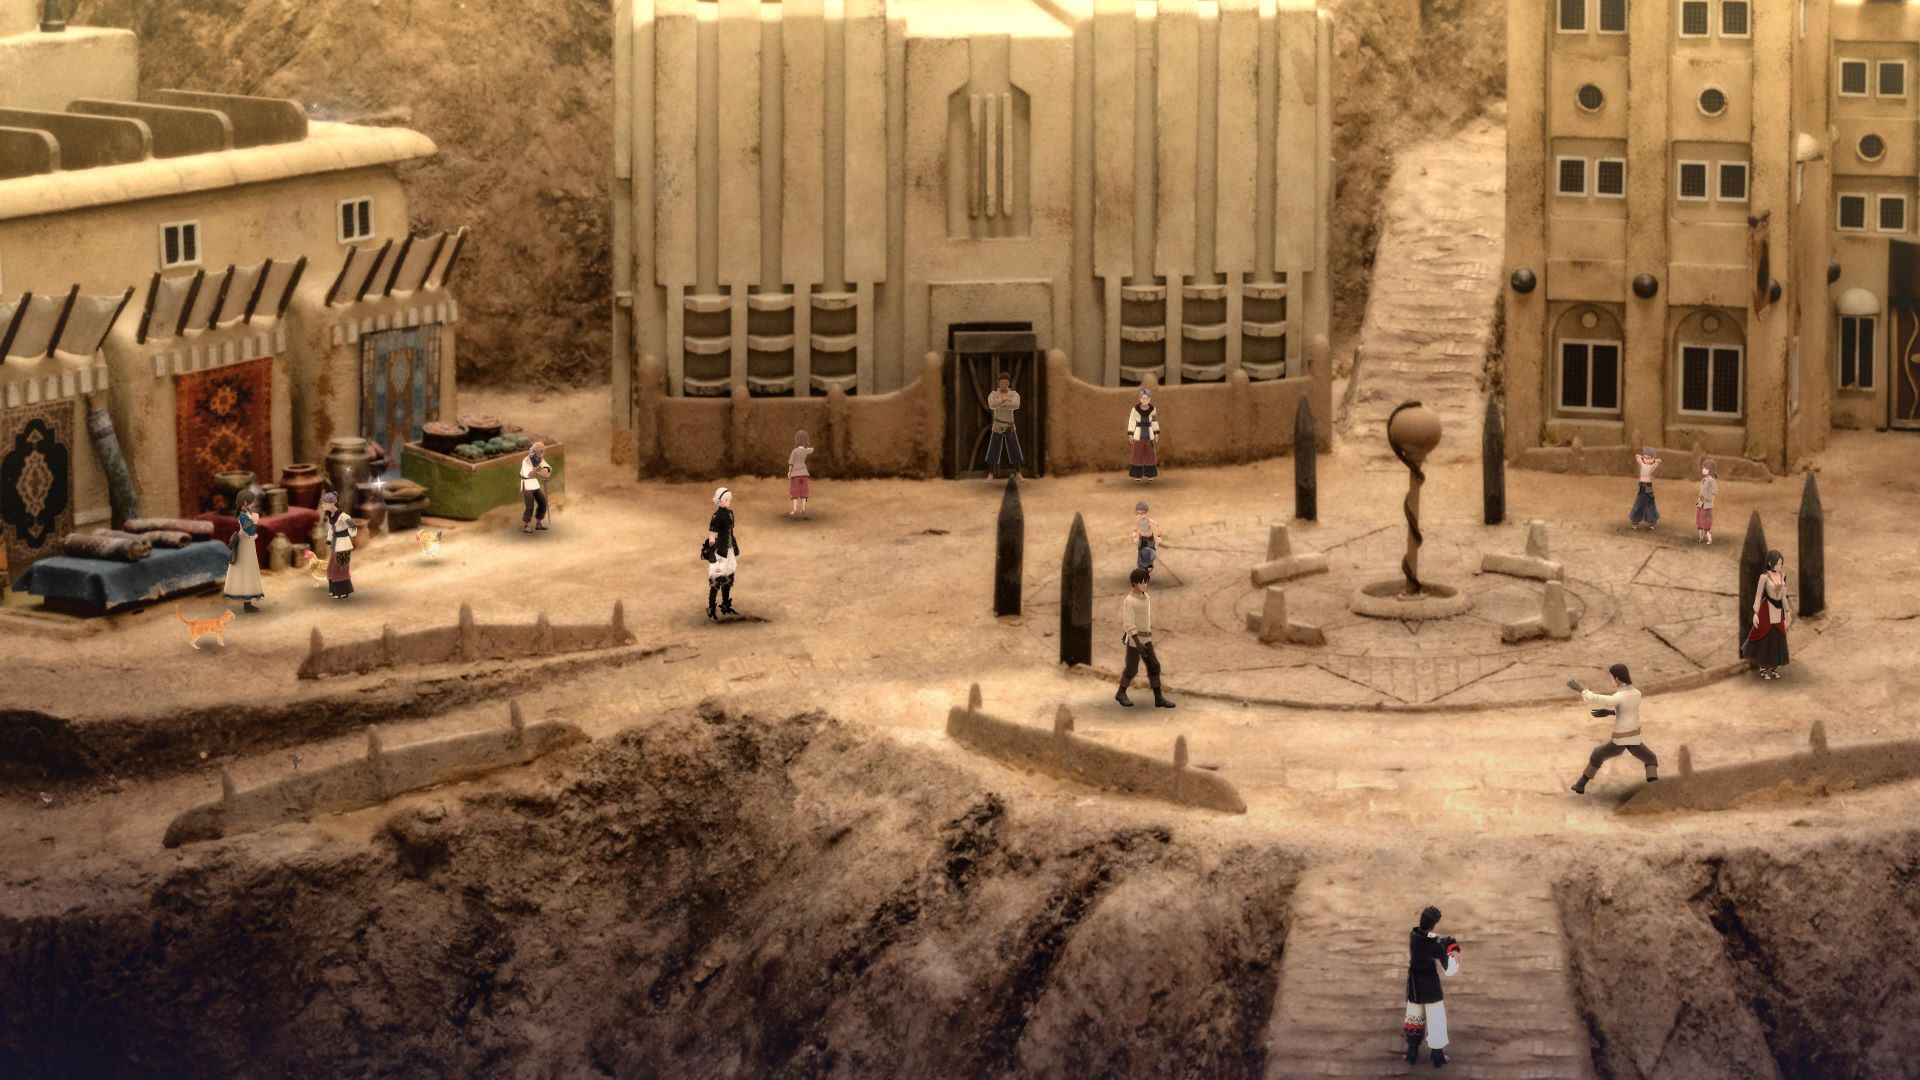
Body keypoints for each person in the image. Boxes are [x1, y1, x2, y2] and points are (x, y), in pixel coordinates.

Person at [1569, 663, 1657, 793]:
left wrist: (1581, 689)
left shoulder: (1619, 696)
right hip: (1634, 738)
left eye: (1611, 677)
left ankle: (1580, 785)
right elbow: (1627, 711)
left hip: (1620, 740)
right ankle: (1655, 789)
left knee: (1597, 754)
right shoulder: (1637, 693)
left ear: (1616, 678)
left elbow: (1596, 698)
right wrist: (1609, 712)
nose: (1611, 680)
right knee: (1650, 758)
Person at [1403, 905, 1461, 1068]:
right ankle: (1437, 1056)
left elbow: (1436, 938)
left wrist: (1449, 944)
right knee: (1436, 1019)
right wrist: (1454, 951)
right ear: (1433, 925)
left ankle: (1412, 1054)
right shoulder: (1434, 946)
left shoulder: (1414, 935)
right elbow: (1449, 970)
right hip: (1430, 986)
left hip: (1414, 984)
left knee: (1414, 1017)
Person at [1116, 568, 1174, 709]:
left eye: (1146, 582)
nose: (1145, 585)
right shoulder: (1129, 601)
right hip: (1134, 640)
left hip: (1146, 639)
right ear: (1134, 583)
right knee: (1131, 669)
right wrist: (1137, 643)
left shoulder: (1146, 598)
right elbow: (1129, 623)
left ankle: (1158, 698)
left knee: (1154, 666)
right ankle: (1121, 693)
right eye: (1142, 582)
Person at [1744, 550, 1792, 680]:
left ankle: (1774, 667)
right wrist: (1755, 613)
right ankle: (1763, 668)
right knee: (1766, 639)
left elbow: (1783, 596)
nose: (1779, 566)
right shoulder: (1764, 577)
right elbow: (1758, 595)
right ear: (1770, 563)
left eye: (1781, 564)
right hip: (1767, 610)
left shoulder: (1783, 576)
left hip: (1778, 611)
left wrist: (1787, 611)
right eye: (1777, 564)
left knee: (1778, 638)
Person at [223, 489, 266, 613]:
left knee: (247, 570)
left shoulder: (245, 513)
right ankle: (247, 602)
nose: (253, 503)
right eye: (251, 501)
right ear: (245, 502)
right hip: (245, 544)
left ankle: (248, 602)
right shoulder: (243, 515)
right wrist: (255, 522)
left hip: (247, 543)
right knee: (247, 571)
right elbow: (250, 530)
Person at [702, 486, 740, 622]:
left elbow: (731, 531)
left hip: (730, 549)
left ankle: (725, 605)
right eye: (726, 499)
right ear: (720, 500)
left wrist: (733, 547)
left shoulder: (730, 513)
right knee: (717, 578)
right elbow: (712, 535)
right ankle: (711, 608)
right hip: (720, 550)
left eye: (729, 499)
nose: (729, 501)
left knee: (729, 576)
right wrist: (711, 551)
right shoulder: (716, 516)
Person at [983, 373, 1023, 480]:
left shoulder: (1014, 394)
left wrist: (1001, 403)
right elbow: (992, 405)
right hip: (998, 424)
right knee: (993, 449)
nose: (1003, 385)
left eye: (1006, 383)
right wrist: (1004, 400)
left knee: (1014, 449)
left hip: (1009, 424)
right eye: (1002, 382)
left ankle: (1018, 473)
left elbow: (1016, 404)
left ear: (1008, 383)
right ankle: (990, 473)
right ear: (998, 383)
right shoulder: (993, 394)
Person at [321, 491, 357, 599]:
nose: (323, 505)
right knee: (330, 567)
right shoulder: (330, 516)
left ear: (332, 503)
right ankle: (334, 590)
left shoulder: (343, 516)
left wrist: (351, 533)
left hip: (343, 544)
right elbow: (331, 530)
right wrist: (329, 540)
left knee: (340, 568)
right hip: (335, 543)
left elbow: (352, 526)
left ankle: (343, 592)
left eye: (325, 503)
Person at [1121, 501, 1163, 579]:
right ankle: (1142, 571)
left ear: (1146, 513)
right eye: (1138, 513)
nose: (1140, 515)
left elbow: (1157, 525)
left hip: (1150, 540)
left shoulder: (1149, 521)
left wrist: (1159, 536)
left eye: (1142, 513)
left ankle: (1148, 567)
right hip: (1142, 540)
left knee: (1152, 554)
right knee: (1141, 554)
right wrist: (1134, 536)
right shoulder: (1138, 522)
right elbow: (1135, 530)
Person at [1127, 387, 1161, 482]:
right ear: (1140, 398)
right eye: (1143, 398)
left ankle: (1150, 474)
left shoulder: (1153, 409)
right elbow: (1132, 421)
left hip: (1149, 435)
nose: (1145, 400)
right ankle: (1137, 475)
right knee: (1137, 454)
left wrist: (1156, 433)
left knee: (1150, 454)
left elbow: (1154, 421)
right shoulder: (1135, 409)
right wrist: (1130, 433)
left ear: (1150, 399)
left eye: (1147, 398)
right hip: (1138, 435)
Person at [520, 441, 552, 534]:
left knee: (542, 502)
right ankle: (526, 526)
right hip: (526, 484)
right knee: (530, 505)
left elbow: (547, 466)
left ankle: (538, 523)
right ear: (534, 450)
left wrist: (546, 469)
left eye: (543, 450)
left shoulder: (539, 458)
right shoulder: (526, 460)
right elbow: (529, 473)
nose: (542, 452)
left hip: (534, 484)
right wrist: (539, 472)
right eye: (540, 450)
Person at [1629, 447, 1661, 530]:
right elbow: (1637, 457)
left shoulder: (1652, 466)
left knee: (1650, 504)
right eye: (1645, 458)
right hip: (1641, 487)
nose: (1646, 459)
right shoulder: (1643, 465)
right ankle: (1635, 521)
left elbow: (1658, 462)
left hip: (1648, 487)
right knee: (1638, 503)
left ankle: (1652, 522)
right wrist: (1640, 457)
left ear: (1652, 459)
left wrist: (1655, 460)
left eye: (1648, 458)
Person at [789, 430, 814, 516]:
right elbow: (812, 449)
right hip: (804, 472)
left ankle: (794, 509)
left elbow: (791, 462)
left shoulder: (794, 451)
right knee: (804, 490)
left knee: (794, 490)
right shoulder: (806, 450)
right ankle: (803, 509)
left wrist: (789, 472)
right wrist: (807, 444)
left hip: (795, 473)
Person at [1695, 458, 1718, 545]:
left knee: (1706, 521)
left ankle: (1709, 539)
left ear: (1710, 470)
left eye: (1706, 468)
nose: (1703, 469)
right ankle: (1701, 538)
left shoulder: (1712, 481)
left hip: (1707, 504)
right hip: (1700, 503)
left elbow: (1714, 492)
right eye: (1703, 467)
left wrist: (1710, 501)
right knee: (1699, 520)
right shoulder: (1704, 480)